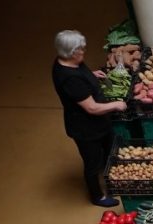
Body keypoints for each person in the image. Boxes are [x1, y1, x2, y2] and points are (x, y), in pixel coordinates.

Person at [51, 30, 128, 207]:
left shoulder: (68, 63)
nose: (84, 52)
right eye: (81, 50)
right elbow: (91, 108)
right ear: (72, 53)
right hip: (86, 128)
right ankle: (97, 196)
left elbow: (80, 74)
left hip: (99, 123)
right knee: (92, 163)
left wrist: (90, 75)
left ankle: (113, 178)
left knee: (109, 148)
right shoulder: (69, 78)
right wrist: (116, 104)